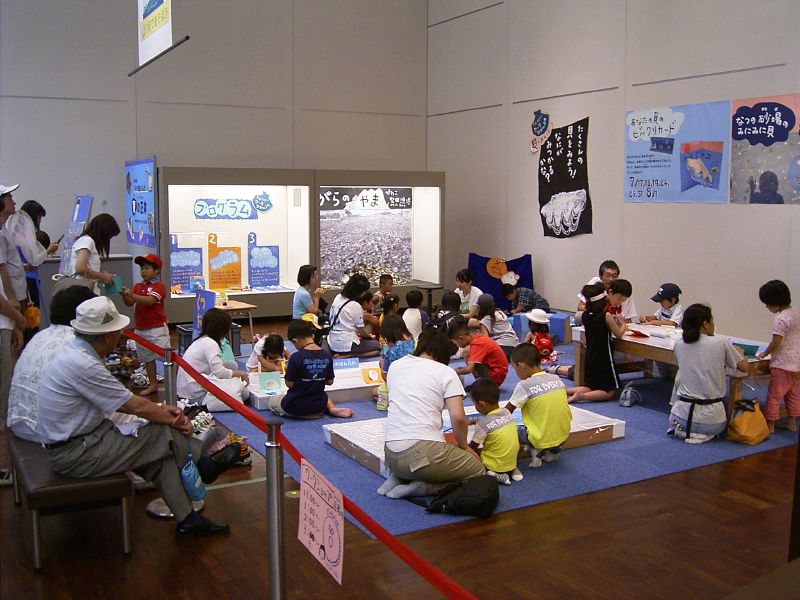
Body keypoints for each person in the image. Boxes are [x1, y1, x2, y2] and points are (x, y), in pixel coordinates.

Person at [36, 296, 239, 536]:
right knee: (162, 431)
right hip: (77, 452)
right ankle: (203, 463)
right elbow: (132, 406)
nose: (122, 334)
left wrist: (160, 412)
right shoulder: (84, 364)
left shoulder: (76, 353)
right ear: (106, 336)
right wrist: (173, 417)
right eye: (118, 330)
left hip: (81, 441)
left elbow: (122, 404)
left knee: (160, 455)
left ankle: (188, 519)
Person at [377, 330, 484, 499]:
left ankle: (399, 477)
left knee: (422, 456)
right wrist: (464, 446)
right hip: (421, 455)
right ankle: (426, 487)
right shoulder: (445, 372)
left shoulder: (396, 366)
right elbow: (458, 418)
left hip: (390, 454)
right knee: (477, 470)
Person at [7, 286, 97, 443]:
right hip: (48, 434)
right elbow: (106, 398)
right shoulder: (77, 342)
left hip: (19, 426)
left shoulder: (41, 336)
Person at [670, 304, 749, 443]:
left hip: (679, 417)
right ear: (705, 324)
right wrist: (739, 352)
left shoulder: (679, 344)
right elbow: (745, 367)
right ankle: (701, 433)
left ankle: (689, 432)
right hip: (712, 422)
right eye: (712, 322)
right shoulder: (721, 342)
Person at [267, 319, 352, 419]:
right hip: (318, 406)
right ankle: (331, 408)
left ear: (295, 341)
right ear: (313, 336)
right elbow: (329, 382)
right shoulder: (327, 355)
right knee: (320, 393)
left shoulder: (296, 357)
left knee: (272, 401)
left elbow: (290, 384)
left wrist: (289, 372)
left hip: (295, 406)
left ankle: (302, 415)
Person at [507, 344, 571, 468]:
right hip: (563, 435)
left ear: (521, 366)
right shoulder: (556, 378)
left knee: (510, 428)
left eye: (515, 368)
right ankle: (553, 451)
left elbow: (507, 412)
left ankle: (535, 451)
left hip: (539, 438)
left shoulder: (524, 385)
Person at [565, 281, 628, 403]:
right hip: (604, 357)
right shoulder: (606, 316)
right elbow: (619, 334)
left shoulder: (585, 315)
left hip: (590, 355)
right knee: (609, 392)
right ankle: (582, 396)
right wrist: (623, 323)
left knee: (592, 386)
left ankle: (565, 391)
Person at [176, 308, 250, 410]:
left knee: (232, 365)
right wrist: (241, 374)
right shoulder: (211, 344)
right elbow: (220, 373)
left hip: (188, 389)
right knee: (244, 393)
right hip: (196, 395)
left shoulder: (201, 340)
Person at [120, 253, 169, 395]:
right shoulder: (138, 286)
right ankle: (153, 384)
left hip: (157, 328)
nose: (143, 271)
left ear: (157, 270)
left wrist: (131, 294)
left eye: (147, 268)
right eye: (142, 268)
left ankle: (175, 381)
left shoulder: (159, 286)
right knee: (147, 358)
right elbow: (130, 303)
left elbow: (150, 301)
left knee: (166, 357)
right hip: (141, 328)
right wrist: (124, 294)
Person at [757, 280, 800, 434]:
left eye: (767, 304)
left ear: (774, 302)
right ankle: (792, 423)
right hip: (796, 364)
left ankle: (770, 424)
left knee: (774, 396)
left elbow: (776, 342)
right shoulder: (795, 313)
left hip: (782, 365)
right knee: (793, 394)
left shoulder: (780, 319)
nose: (766, 307)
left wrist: (765, 353)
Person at [7, 200, 59, 315]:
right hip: (28, 279)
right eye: (39, 217)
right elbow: (33, 261)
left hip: (29, 278)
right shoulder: (22, 236)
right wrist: (48, 251)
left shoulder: (15, 233)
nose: (39, 221)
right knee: (32, 314)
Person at [468, 377, 521, 485]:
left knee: (474, 461)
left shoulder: (483, 425)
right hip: (512, 461)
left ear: (482, 404)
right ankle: (513, 470)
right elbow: (494, 423)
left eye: (475, 404)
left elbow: (472, 447)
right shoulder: (506, 412)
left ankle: (495, 474)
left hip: (494, 465)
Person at [63, 213, 121, 294]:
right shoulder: (87, 241)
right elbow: (80, 269)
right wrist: (102, 276)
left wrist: (101, 275)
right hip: (84, 292)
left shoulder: (88, 242)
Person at [327, 273, 381, 358]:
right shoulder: (355, 306)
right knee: (377, 346)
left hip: (332, 341)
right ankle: (349, 355)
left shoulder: (337, 297)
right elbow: (361, 332)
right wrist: (370, 337)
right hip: (346, 344)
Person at [449, 320, 508, 387]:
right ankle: (480, 383)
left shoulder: (477, 344)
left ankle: (483, 385)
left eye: (455, 342)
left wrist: (453, 372)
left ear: (461, 338)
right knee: (468, 354)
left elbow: (469, 369)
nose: (456, 345)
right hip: (497, 373)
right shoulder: (478, 337)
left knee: (469, 357)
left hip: (495, 377)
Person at [0, 190, 28, 312]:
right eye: (9, 198)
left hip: (18, 291)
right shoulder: (1, 233)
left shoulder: (4, 229)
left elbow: (8, 261)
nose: (14, 202)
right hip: (12, 295)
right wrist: (11, 298)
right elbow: (1, 267)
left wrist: (25, 267)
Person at [471, 293, 519, 360]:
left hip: (503, 348)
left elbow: (486, 341)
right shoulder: (499, 312)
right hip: (515, 347)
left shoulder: (485, 320)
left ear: (479, 307)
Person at [380, 315, 415, 381]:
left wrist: (382, 364)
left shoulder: (392, 352)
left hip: (401, 382)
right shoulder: (415, 343)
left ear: (387, 337)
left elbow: (386, 376)